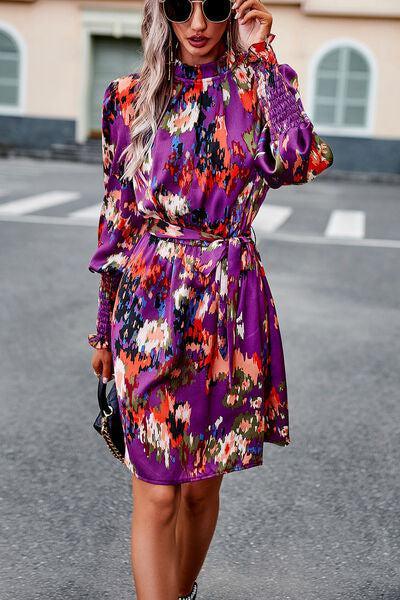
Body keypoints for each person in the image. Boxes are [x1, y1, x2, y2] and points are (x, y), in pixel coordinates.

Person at [87, 0, 334, 598]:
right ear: (160, 13)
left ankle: (181, 590)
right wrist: (103, 328)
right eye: (180, 7)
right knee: (155, 488)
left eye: (213, 8)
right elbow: (117, 217)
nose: (196, 24)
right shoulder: (128, 97)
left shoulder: (254, 86)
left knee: (199, 487)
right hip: (148, 302)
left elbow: (302, 158)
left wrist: (262, 55)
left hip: (228, 304)